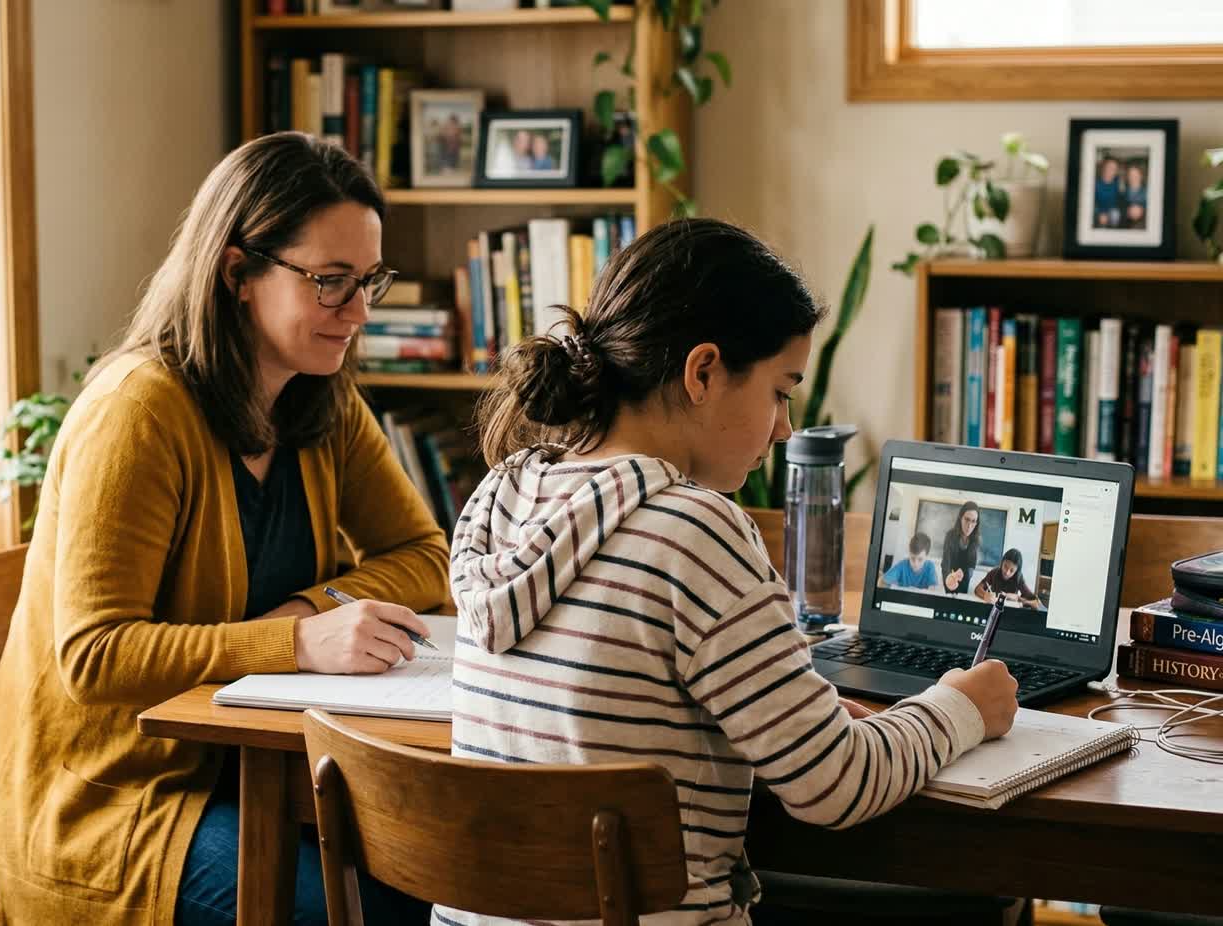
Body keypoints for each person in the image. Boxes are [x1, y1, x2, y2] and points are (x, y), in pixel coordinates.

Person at [440, 217, 1019, 925]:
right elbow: (836, 785)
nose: (783, 427)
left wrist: (796, 702)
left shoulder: (504, 492)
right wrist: (961, 705)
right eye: (780, 390)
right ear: (703, 372)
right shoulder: (693, 529)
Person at [0, 132, 449, 926]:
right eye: (331, 282)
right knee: (377, 911)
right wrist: (295, 646)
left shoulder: (317, 396)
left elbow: (425, 554)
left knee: (433, 878)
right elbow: (94, 656)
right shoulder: (139, 413)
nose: (358, 312)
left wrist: (309, 609)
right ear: (238, 274)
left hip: (251, 772)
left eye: (369, 281)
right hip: (113, 808)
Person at [975, 548, 1043, 609]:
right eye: (1005, 566)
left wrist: (1017, 598)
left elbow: (1036, 603)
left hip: (1010, 611)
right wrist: (985, 595)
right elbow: (977, 589)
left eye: (1012, 570)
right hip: (993, 608)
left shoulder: (1018, 578)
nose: (1007, 572)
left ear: (1016, 571)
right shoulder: (994, 572)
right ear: (1002, 563)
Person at [941, 501, 982, 595]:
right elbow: (945, 563)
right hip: (950, 577)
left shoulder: (976, 540)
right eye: (967, 519)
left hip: (964, 581)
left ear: (976, 523)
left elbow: (972, 565)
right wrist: (949, 579)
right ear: (960, 518)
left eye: (973, 521)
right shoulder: (950, 536)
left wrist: (966, 574)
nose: (969, 526)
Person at [1093, 157, 1123, 228]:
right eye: (1109, 167)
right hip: (1099, 214)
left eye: (1114, 169)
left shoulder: (1119, 183)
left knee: (1115, 214)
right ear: (1104, 168)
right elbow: (1091, 203)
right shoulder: (1095, 184)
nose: (1111, 171)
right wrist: (1099, 214)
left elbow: (1121, 202)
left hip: (1113, 215)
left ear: (1116, 171)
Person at [1123, 162, 1148, 229]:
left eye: (1135, 175)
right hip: (1126, 222)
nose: (1132, 177)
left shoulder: (1146, 192)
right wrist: (1127, 211)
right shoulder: (1123, 192)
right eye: (1130, 175)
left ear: (1141, 176)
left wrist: (1142, 210)